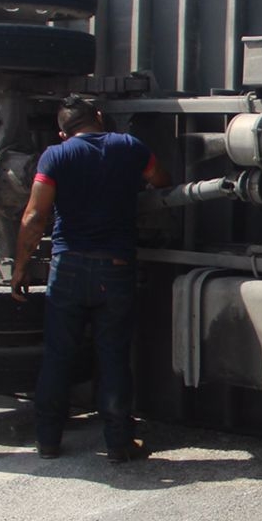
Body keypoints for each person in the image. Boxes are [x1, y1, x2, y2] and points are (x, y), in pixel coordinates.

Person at [13, 95, 170, 462]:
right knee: (113, 356)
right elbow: (161, 181)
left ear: (62, 130)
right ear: (99, 117)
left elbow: (35, 216)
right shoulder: (129, 146)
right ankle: (118, 442)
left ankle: (48, 440)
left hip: (67, 267)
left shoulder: (55, 155)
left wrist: (20, 266)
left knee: (58, 356)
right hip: (115, 268)